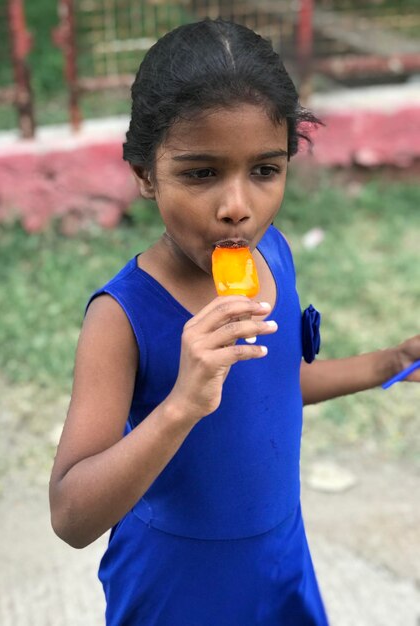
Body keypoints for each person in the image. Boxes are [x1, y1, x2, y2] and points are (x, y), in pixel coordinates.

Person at [49, 18, 420, 625]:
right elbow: (71, 516)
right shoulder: (122, 317)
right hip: (176, 583)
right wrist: (181, 404)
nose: (237, 208)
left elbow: (276, 387)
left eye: (265, 171)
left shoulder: (272, 253)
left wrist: (389, 363)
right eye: (200, 173)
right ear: (145, 173)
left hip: (278, 560)